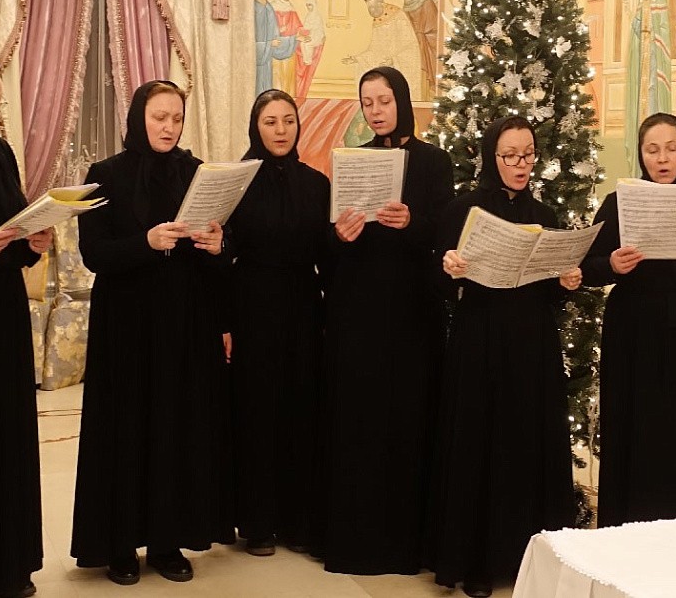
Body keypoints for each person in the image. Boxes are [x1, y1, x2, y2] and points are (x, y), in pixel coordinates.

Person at [71, 80, 234, 584]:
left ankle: (167, 542)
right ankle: (119, 545)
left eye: (177, 118)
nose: (169, 127)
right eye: (159, 117)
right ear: (139, 117)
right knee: (126, 428)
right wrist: (146, 241)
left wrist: (217, 244)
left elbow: (218, 259)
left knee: (175, 427)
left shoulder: (197, 173)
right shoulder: (105, 175)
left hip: (184, 324)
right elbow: (95, 254)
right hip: (126, 327)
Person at [432, 116, 580, 597]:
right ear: (491, 157)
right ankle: (477, 561)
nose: (521, 164)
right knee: (481, 445)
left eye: (528, 154)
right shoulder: (463, 209)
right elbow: (439, 278)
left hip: (532, 345)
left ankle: (527, 557)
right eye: (510, 155)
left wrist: (566, 281)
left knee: (528, 445)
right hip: (480, 340)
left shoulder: (545, 213)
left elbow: (551, 292)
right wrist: (450, 267)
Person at [320, 66, 453, 575]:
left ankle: (407, 544)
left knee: (409, 421)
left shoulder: (434, 162)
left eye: (384, 100)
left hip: (412, 314)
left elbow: (445, 237)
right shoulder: (353, 161)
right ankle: (355, 542)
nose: (375, 111)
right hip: (358, 314)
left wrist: (412, 223)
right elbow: (330, 247)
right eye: (367, 102)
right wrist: (340, 234)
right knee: (359, 423)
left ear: (402, 100)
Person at [583, 112, 676, 526]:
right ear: (641, 154)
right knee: (633, 433)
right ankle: (625, 530)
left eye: (672, 148)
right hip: (632, 335)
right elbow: (586, 266)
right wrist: (612, 265)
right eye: (652, 150)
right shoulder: (620, 203)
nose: (662, 159)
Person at [228, 90, 330, 557]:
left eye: (288, 120)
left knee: (301, 407)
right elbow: (223, 253)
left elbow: (327, 255)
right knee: (257, 412)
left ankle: (297, 518)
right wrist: (224, 323)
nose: (281, 130)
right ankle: (258, 522)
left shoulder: (316, 184)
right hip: (253, 307)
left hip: (304, 306)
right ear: (256, 127)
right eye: (270, 122)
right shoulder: (237, 180)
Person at [0, 52, 53, 598]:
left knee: (5, 438)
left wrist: (33, 241)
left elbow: (13, 220)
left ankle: (6, 565)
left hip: (0, 315)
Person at [254, 0, 297, 97]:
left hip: (266, 65)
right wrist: (268, 44)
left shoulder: (269, 9)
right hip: (254, 65)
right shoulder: (252, 8)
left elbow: (276, 39)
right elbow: (245, 42)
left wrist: (294, 39)